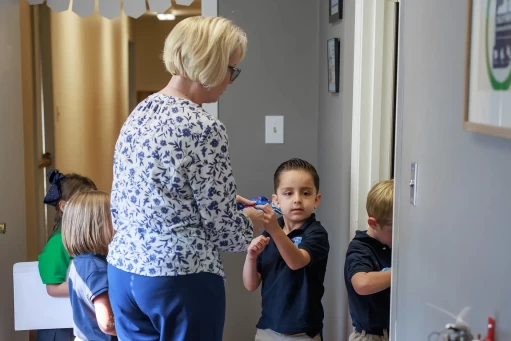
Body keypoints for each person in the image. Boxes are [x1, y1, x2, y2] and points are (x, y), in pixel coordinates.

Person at [107, 16, 264, 341]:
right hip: (179, 276)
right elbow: (225, 232)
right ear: (212, 64)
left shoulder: (139, 113)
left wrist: (205, 202)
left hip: (124, 271)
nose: (231, 81)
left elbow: (140, 196)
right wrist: (252, 221)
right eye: (232, 70)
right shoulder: (204, 127)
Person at [243, 158, 330, 341]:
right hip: (267, 328)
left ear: (316, 200)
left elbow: (296, 261)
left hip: (303, 332)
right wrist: (251, 257)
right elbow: (250, 284)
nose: (297, 200)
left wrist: (274, 230)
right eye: (288, 193)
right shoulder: (269, 235)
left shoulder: (316, 233)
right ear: (276, 200)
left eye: (305, 193)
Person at [37, 169, 97, 341]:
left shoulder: (87, 241)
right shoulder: (57, 244)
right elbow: (53, 288)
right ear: (63, 207)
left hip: (80, 320)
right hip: (61, 328)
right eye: (84, 203)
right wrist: (92, 286)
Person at [62, 191, 117, 341]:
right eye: (114, 219)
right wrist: (138, 330)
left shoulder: (79, 263)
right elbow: (107, 323)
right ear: (97, 226)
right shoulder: (96, 268)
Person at [344, 180, 394, 341]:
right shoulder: (360, 248)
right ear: (373, 223)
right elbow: (362, 284)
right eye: (395, 229)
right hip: (370, 336)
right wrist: (402, 271)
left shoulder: (392, 245)